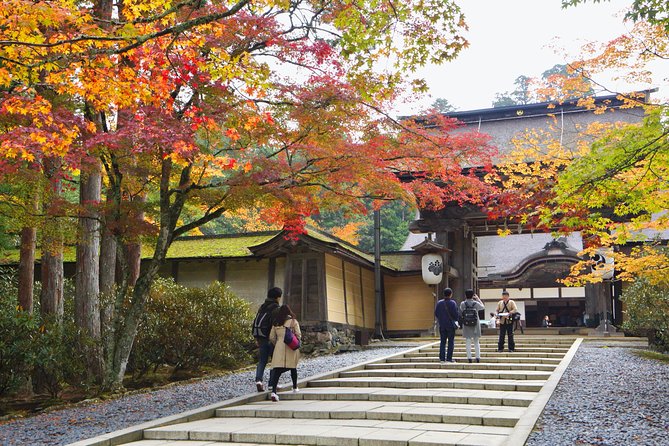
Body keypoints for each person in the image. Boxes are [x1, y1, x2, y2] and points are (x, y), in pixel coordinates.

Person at [268, 304, 302, 402]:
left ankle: (274, 392)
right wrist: (296, 341)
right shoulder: (293, 321)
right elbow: (298, 335)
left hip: (279, 347)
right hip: (291, 346)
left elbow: (271, 337)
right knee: (293, 367)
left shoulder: (276, 323)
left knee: (277, 370)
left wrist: (277, 343)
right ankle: (295, 387)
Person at [252, 287, 282, 392]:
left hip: (261, 337)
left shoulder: (262, 307)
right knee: (275, 361)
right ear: (278, 297)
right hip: (271, 338)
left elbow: (256, 321)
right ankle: (271, 384)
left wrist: (256, 337)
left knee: (262, 360)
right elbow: (277, 325)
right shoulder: (276, 308)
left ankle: (258, 380)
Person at [459, 289, 485, 363]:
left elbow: (461, 310)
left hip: (466, 323)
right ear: (473, 295)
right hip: (475, 323)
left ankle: (469, 358)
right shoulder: (476, 303)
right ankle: (478, 357)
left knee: (468, 341)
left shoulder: (463, 303)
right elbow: (483, 307)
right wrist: (478, 299)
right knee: (476, 341)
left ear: (465, 295)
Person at [434, 287, 459, 363]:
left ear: (444, 294)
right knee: (451, 342)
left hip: (442, 325)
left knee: (443, 342)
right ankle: (449, 358)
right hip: (450, 326)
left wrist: (441, 319)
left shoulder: (439, 303)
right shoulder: (453, 303)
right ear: (451, 294)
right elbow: (456, 315)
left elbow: (436, 313)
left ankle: (442, 358)